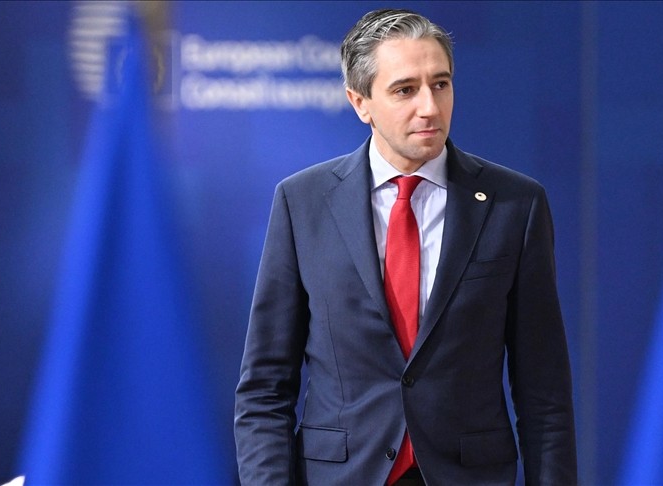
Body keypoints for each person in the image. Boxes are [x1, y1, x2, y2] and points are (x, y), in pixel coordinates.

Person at [235, 8, 577, 485]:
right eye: (405, 90)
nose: (430, 107)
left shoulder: (515, 204)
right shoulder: (302, 202)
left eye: (441, 84)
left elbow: (544, 391)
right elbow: (265, 389)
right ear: (361, 103)